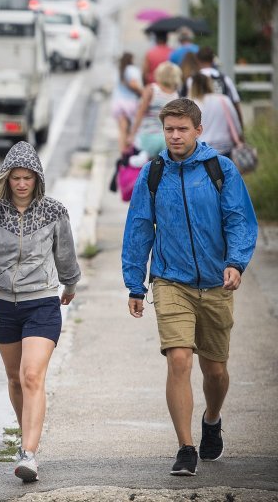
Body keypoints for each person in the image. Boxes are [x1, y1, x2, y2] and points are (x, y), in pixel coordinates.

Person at [122, 98, 258, 477]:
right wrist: (135, 284)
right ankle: (185, 447)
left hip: (217, 283)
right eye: (169, 129)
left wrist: (236, 263)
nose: (176, 136)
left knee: (215, 371)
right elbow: (137, 230)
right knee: (179, 359)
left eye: (183, 129)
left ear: (199, 130)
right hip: (170, 281)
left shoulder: (221, 170)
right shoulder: (153, 174)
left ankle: (212, 418)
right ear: (162, 131)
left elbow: (239, 219)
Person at [0, 141, 81, 484]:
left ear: (37, 179)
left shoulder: (54, 212)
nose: (21, 184)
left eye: (27, 178)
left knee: (32, 375)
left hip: (42, 302)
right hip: (0, 305)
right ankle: (25, 430)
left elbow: (66, 254)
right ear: (6, 179)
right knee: (15, 378)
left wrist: (70, 284)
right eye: (15, 177)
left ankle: (29, 452)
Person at [128, 61, 182, 157]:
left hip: (148, 136)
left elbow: (140, 112)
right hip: (166, 139)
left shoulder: (152, 89)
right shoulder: (175, 95)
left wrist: (132, 134)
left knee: (145, 167)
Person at [182, 46, 244, 125]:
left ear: (197, 60)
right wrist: (241, 128)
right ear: (212, 60)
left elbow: (183, 103)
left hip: (197, 124)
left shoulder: (192, 80)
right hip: (221, 125)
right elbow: (235, 104)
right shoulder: (224, 79)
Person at [188, 73, 243, 158]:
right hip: (225, 148)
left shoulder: (191, 104)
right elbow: (236, 125)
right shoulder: (223, 99)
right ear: (209, 84)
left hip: (201, 149)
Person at [111, 52, 144, 154]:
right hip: (130, 103)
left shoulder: (119, 71)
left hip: (117, 103)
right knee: (132, 130)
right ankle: (129, 152)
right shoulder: (132, 70)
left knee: (122, 130)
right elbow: (133, 84)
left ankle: (123, 154)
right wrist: (142, 92)